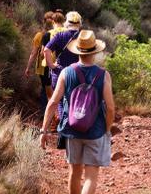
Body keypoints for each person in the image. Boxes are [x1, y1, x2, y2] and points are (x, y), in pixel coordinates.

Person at [40, 30, 115, 194]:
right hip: (95, 131)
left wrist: (44, 130)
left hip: (72, 131)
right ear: (95, 52)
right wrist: (107, 130)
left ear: (77, 51)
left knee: (74, 173)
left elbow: (53, 102)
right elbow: (110, 107)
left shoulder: (66, 72)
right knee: (90, 177)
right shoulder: (104, 75)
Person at [24, 11, 58, 106]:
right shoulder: (58, 34)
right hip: (56, 65)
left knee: (45, 89)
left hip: (43, 67)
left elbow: (33, 53)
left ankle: (44, 112)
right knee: (55, 89)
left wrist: (28, 67)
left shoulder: (39, 35)